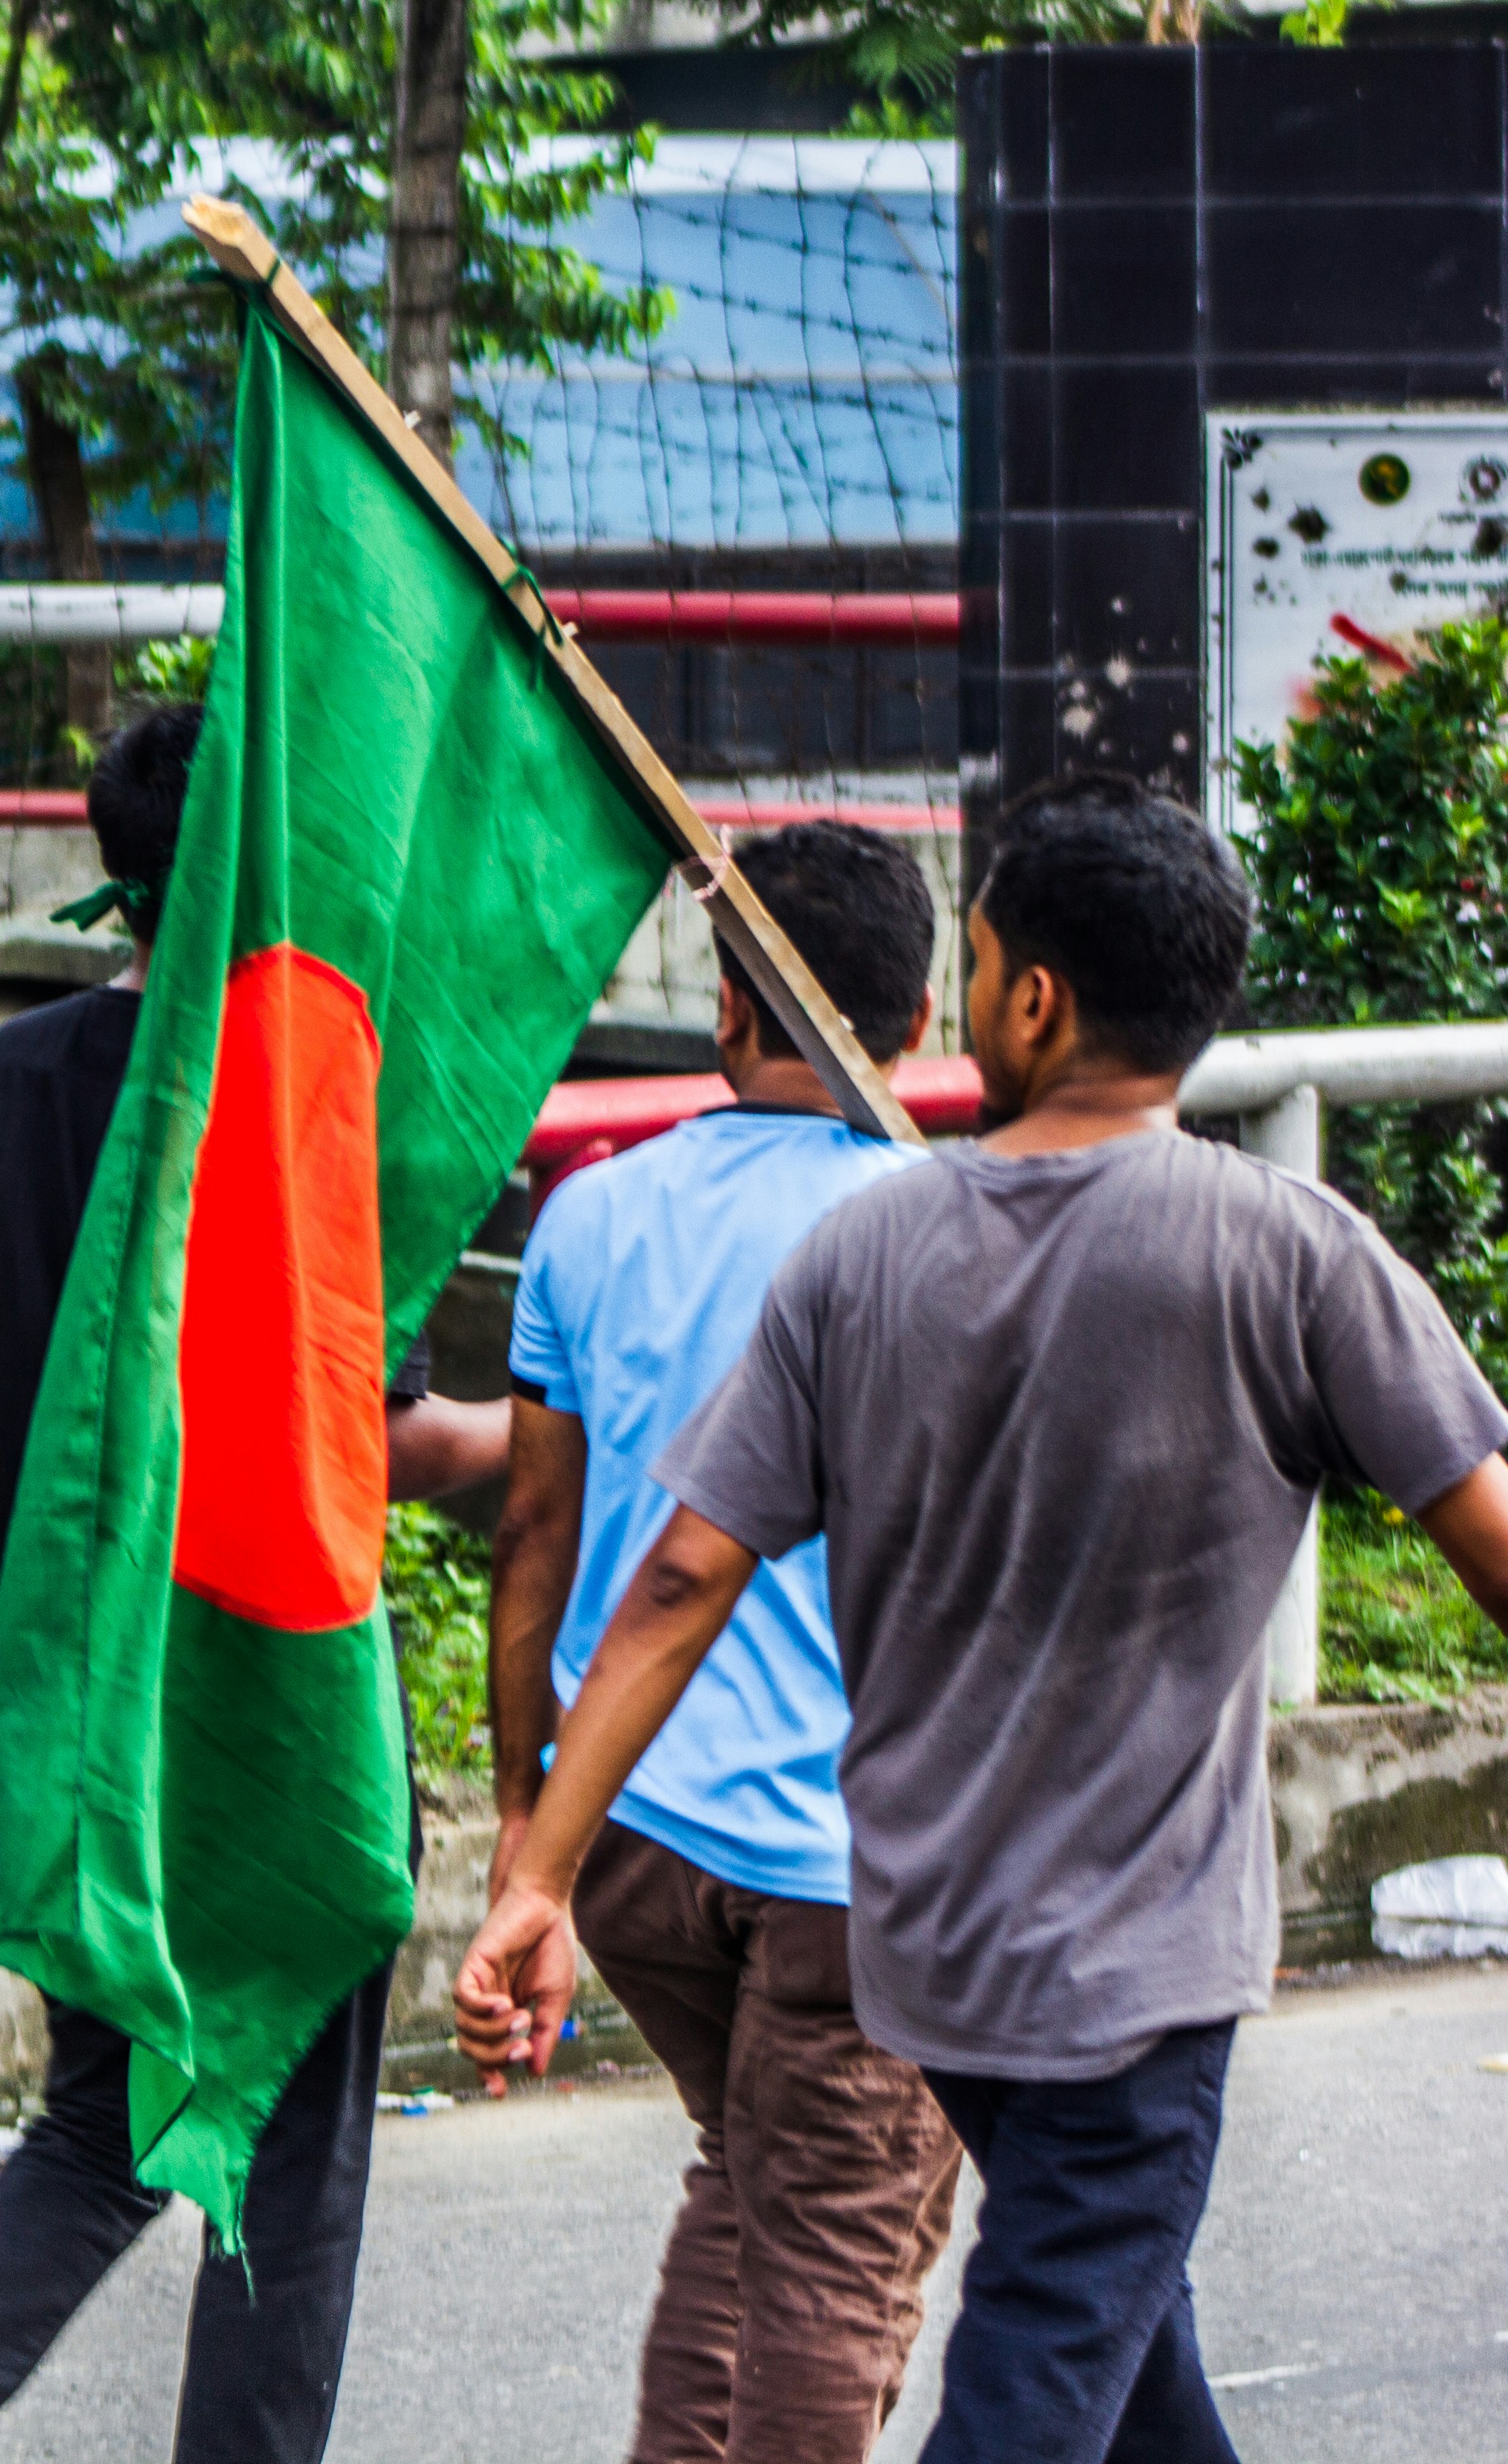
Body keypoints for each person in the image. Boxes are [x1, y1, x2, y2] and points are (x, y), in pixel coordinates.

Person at [457, 775, 1508, 2464]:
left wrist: (541, 1870)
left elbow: (674, 1581)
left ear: (1034, 1002)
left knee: (1120, 2338)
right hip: (1130, 1971)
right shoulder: (1295, 1255)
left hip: (934, 1955)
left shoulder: (865, 1259)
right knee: (1043, 2362)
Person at [0, 703, 507, 2464]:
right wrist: (539, 1441)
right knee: (300, 2145)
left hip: (79, 1703)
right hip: (278, 1699)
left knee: (102, 2113)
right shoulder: (295, 1092)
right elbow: (375, 1440)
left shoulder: (4, 1087)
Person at [490, 821, 959, 2464]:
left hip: (622, 1834)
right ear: (920, 1019)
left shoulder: (590, 1216)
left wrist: (525, 1836)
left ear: (733, 1015)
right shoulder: (946, 1231)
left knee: (763, 2191)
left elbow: (533, 1540)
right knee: (840, 2246)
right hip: (852, 1865)